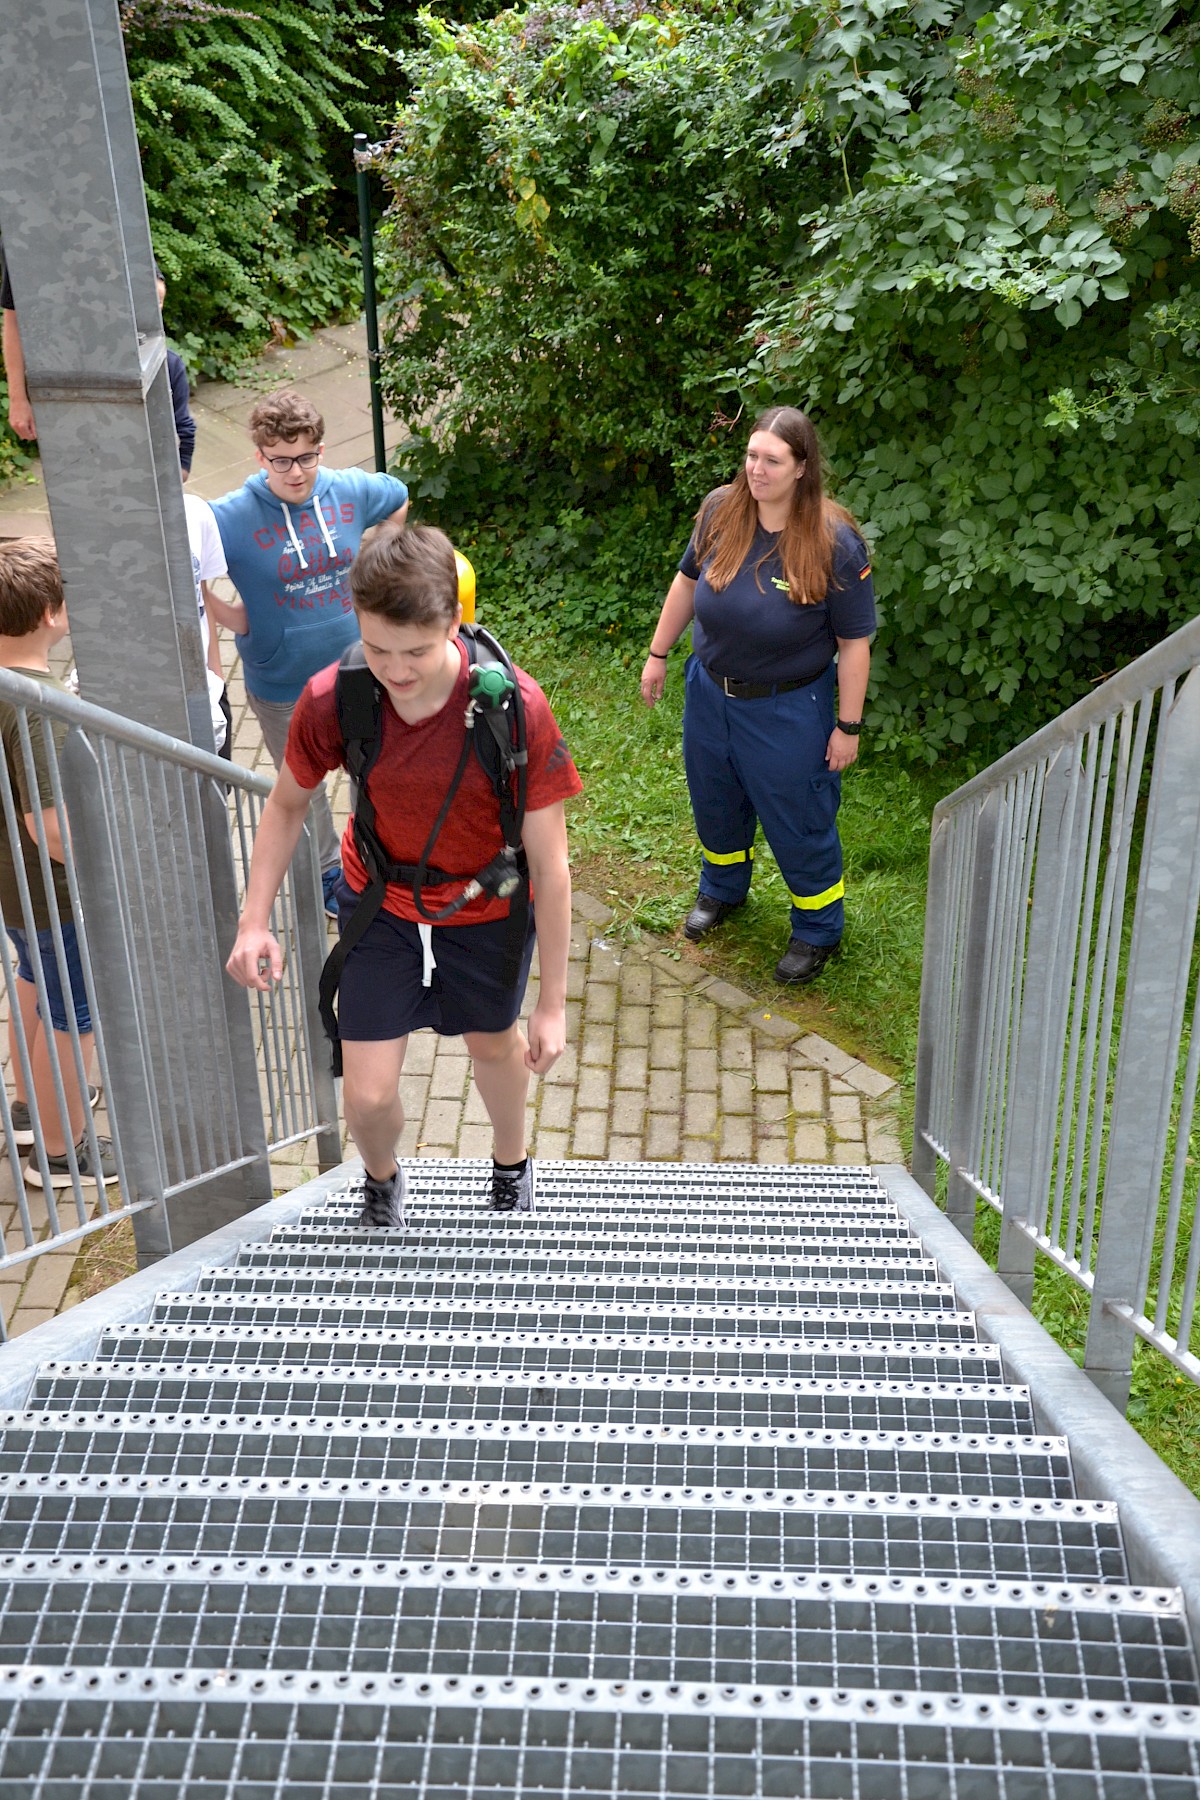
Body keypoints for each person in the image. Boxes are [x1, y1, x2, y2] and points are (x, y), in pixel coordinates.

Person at [225, 523, 580, 1224]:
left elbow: (552, 865)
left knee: (494, 1045)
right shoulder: (338, 696)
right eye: (379, 648)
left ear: (454, 620)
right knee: (367, 1096)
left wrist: (553, 1003)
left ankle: (510, 1165)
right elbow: (288, 804)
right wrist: (253, 920)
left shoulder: (512, 708)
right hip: (378, 902)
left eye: (416, 650)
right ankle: (382, 1181)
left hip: (485, 904)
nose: (397, 670)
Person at [640, 405, 875, 984]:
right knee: (715, 800)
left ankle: (818, 929)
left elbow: (855, 644)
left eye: (772, 460)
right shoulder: (721, 512)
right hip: (710, 695)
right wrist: (657, 654)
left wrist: (847, 727)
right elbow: (686, 582)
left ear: (802, 468)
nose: (756, 469)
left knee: (799, 819)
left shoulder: (834, 543)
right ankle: (722, 890)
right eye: (751, 455)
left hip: (788, 707)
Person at [208, 389, 410, 916]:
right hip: (281, 684)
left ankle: (376, 855)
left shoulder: (348, 490)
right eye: (280, 460)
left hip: (359, 671)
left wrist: (380, 565)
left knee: (374, 766)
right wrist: (230, 614)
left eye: (305, 456)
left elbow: (398, 496)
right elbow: (187, 564)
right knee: (304, 784)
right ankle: (326, 874)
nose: (295, 472)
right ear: (260, 456)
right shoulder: (228, 516)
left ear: (321, 448)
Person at [0, 539, 116, 1187]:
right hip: (57, 896)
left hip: (16, 890)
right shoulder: (38, 709)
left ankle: (29, 1111)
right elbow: (49, 827)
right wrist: (106, 870)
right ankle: (61, 1149)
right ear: (50, 614)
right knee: (76, 1018)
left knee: (36, 985)